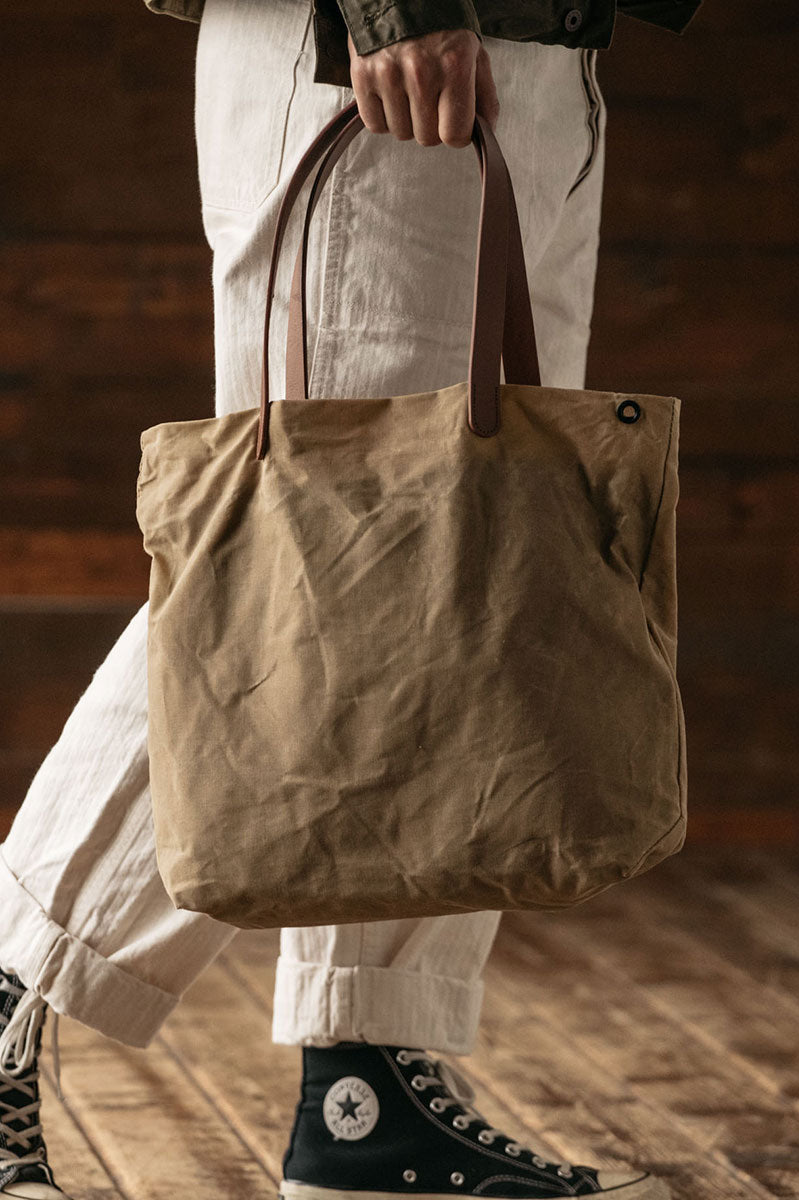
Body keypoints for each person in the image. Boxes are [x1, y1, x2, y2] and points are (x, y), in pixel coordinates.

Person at [0, 0, 703, 1195]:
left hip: (538, 52)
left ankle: (365, 1089)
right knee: (295, 584)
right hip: (381, 58)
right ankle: (10, 988)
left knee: (458, 586)